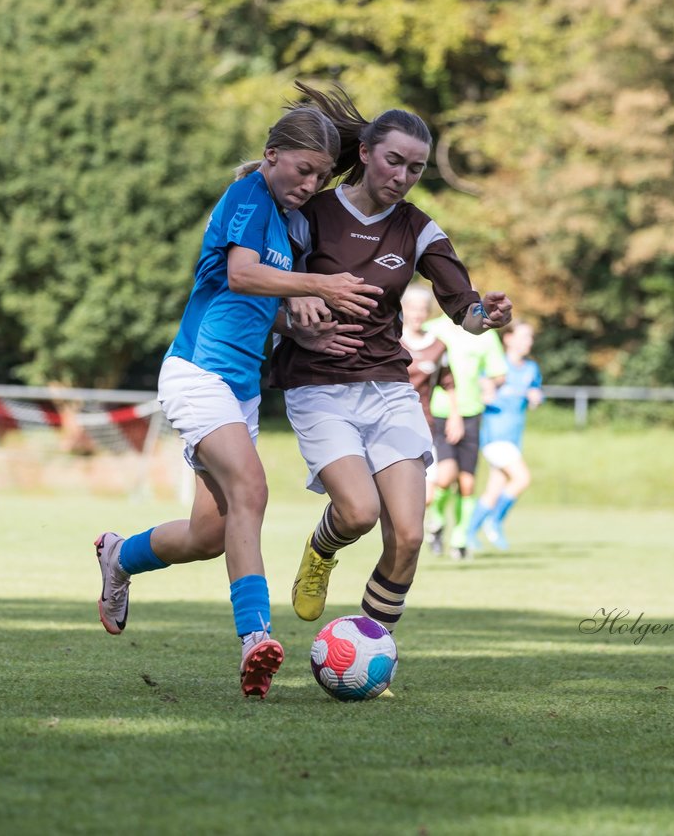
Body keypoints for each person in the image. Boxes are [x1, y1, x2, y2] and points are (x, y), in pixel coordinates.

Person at [91, 106, 382, 699]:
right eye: (302, 171)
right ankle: (256, 639)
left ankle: (121, 556)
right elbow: (242, 275)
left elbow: (262, 306)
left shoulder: (289, 223)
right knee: (252, 489)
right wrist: (320, 285)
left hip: (240, 390)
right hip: (197, 374)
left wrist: (301, 329)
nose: (308, 186)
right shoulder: (248, 196)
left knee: (208, 534)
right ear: (272, 155)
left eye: (319, 179)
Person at [269, 82, 512, 640]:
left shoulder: (418, 227)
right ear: (364, 154)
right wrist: (293, 315)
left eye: (416, 168)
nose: (402, 177)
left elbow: (463, 308)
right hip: (318, 384)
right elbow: (262, 283)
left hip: (387, 386)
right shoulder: (312, 211)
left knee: (406, 533)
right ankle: (321, 548)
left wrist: (485, 312)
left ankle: (371, 649)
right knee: (357, 512)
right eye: (394, 161)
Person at [424, 306, 508, 560]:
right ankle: (436, 522)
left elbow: (499, 373)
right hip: (439, 412)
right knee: (445, 476)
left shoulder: (484, 332)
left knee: (468, 483)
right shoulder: (432, 331)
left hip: (472, 413)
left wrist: (489, 382)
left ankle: (460, 539)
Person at [465, 321, 543, 552]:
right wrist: (484, 392)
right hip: (494, 437)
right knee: (522, 478)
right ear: (508, 339)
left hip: (513, 439)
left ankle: (468, 534)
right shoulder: (496, 366)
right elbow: (478, 388)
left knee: (494, 489)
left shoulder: (531, 369)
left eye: (530, 337)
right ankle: (494, 521)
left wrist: (535, 397)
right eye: (523, 336)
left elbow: (535, 393)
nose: (527, 342)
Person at [398, 285, 456, 508]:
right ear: (403, 309)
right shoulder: (391, 342)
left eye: (422, 309)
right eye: (413, 308)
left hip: (423, 425)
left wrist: (454, 416)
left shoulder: (438, 346)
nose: (417, 314)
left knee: (427, 495)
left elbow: (449, 383)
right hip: (388, 424)